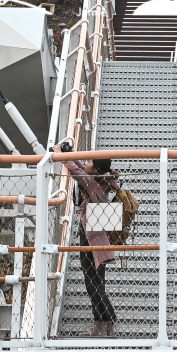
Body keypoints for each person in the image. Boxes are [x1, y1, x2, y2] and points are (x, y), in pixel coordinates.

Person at [61, 144, 121, 336]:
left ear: (95, 169)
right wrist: (70, 154)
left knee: (93, 282)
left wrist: (61, 155)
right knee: (95, 281)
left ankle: (109, 317)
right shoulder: (99, 179)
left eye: (89, 161)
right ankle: (100, 324)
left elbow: (77, 171)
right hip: (94, 236)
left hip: (92, 239)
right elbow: (81, 168)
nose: (86, 162)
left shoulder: (94, 184)